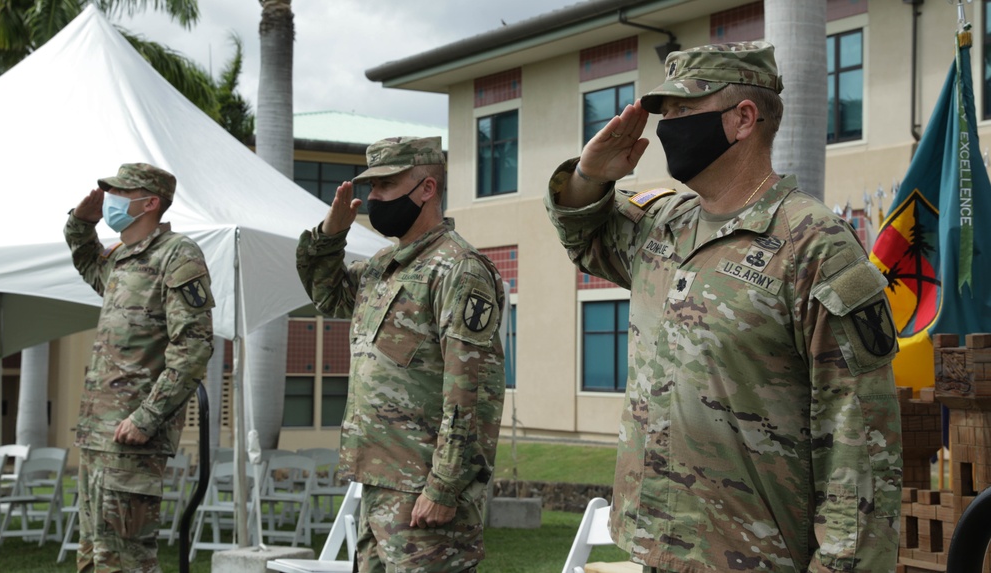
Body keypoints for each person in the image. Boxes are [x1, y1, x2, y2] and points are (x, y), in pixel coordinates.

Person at [544, 42, 902, 572]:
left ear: (743, 119)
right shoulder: (662, 223)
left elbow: (860, 435)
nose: (667, 126)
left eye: (685, 111)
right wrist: (590, 175)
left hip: (757, 556)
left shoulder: (814, 244)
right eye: (667, 113)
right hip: (657, 547)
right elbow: (584, 233)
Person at [296, 136, 506, 573]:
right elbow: (327, 295)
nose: (373, 199)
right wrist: (331, 234)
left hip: (422, 491)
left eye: (386, 186)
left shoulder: (458, 269)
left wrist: (445, 486)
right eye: (371, 188)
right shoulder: (382, 267)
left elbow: (472, 390)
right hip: (380, 484)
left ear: (426, 188)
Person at [65, 163, 215, 573]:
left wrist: (147, 418)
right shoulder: (121, 261)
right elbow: (86, 260)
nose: (111, 200)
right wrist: (81, 221)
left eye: (120, 193)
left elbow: (194, 346)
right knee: (94, 558)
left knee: (127, 561)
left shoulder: (177, 254)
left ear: (150, 202)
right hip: (99, 433)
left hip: (133, 437)